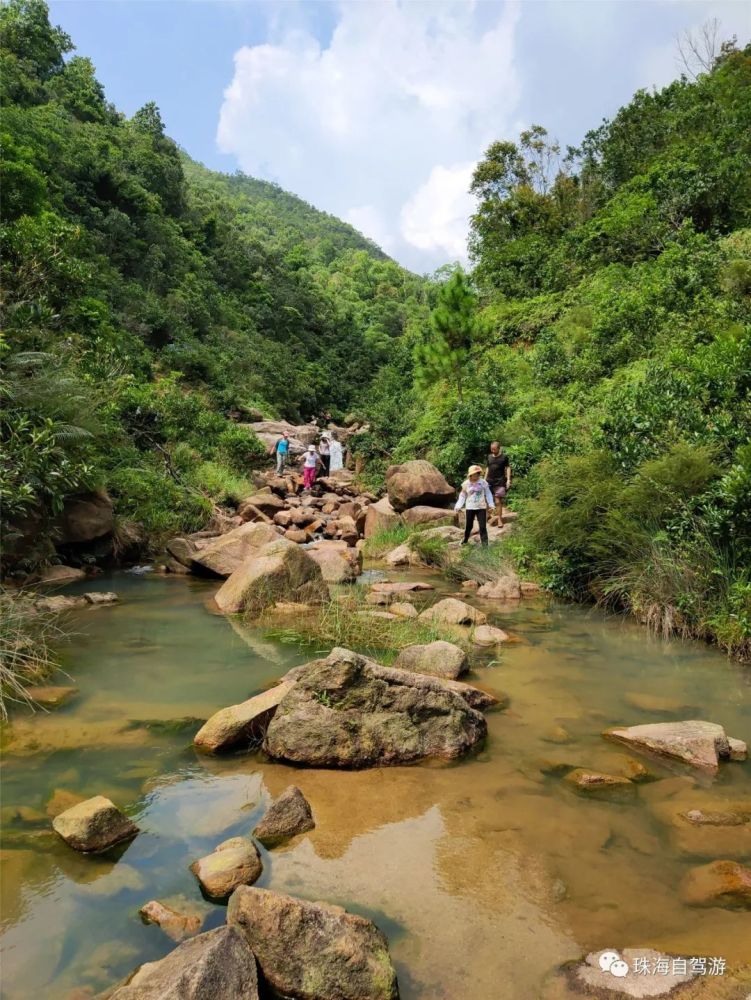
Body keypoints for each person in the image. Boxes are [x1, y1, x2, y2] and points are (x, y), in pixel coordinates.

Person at [455, 464, 494, 546]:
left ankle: (485, 546)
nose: (476, 475)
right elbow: (462, 495)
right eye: (474, 474)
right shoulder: (466, 484)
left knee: (482, 526)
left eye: (477, 473)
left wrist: (491, 504)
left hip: (481, 507)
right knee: (469, 526)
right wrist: (458, 506)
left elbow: (488, 493)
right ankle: (465, 540)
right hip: (470, 507)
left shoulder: (483, 482)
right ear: (470, 475)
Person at [485, 441, 511, 526]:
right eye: (491, 449)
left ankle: (499, 519)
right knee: (486, 500)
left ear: (499, 448)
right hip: (489, 481)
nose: (492, 450)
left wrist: (508, 480)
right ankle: (488, 516)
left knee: (497, 501)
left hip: (500, 481)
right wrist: (484, 480)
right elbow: (488, 468)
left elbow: (508, 468)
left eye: (494, 449)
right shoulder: (489, 457)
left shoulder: (504, 457)